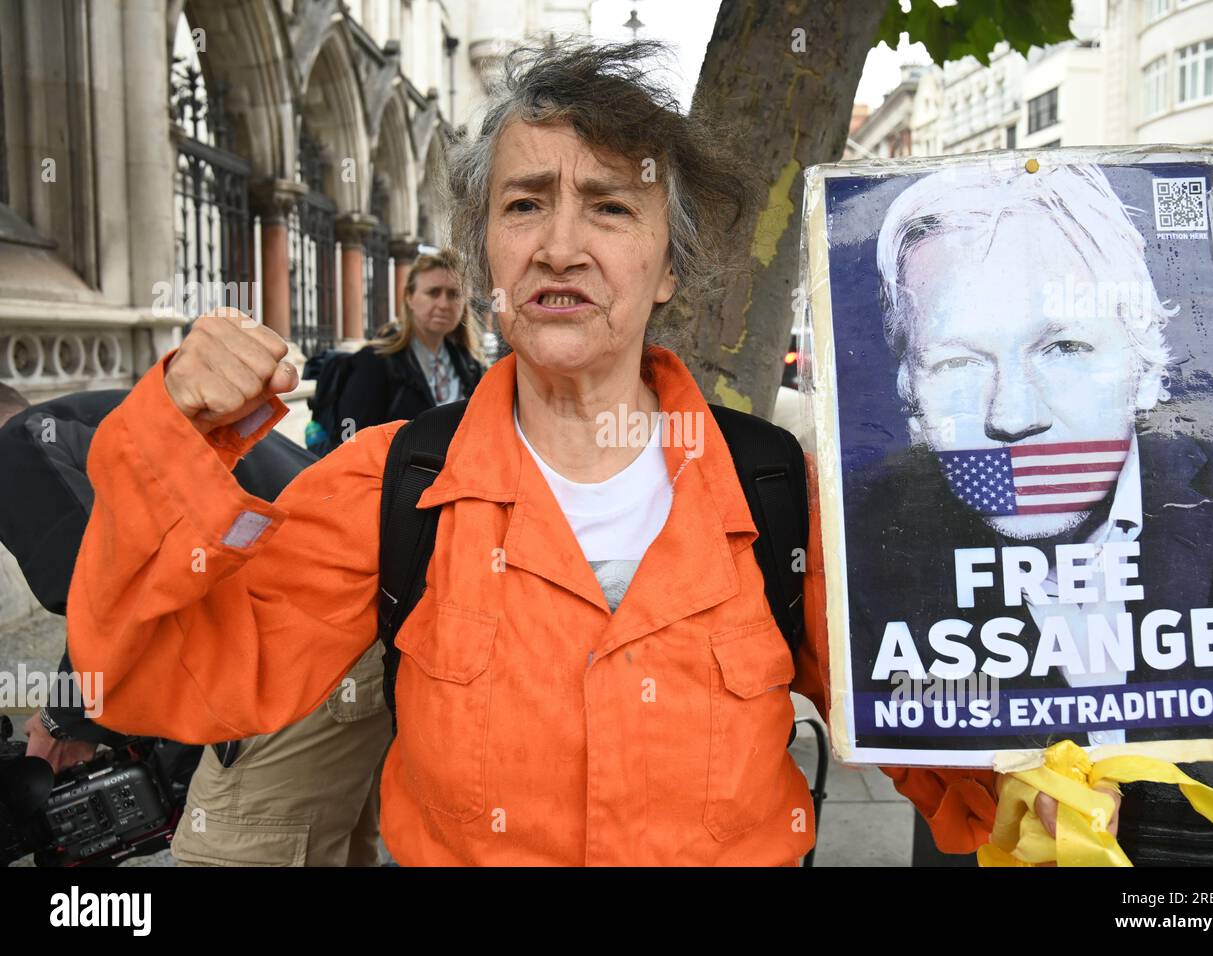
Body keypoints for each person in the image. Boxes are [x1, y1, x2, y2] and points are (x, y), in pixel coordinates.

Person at [66, 40, 1012, 864]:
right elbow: (152, 675)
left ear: (669, 266)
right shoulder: (391, 484)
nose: (561, 247)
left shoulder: (778, 492)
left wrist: (1067, 774)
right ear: (484, 260)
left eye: (609, 208)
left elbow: (945, 733)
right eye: (524, 206)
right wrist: (173, 435)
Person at [849, 163, 1213, 752]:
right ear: (911, 396)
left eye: (1063, 348)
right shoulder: (860, 550)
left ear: (1143, 368)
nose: (1012, 416)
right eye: (959, 364)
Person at [0, 386, 393, 866]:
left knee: (230, 850)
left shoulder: (17, 444)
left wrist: (64, 720)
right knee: (329, 845)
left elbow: (111, 598)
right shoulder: (99, 417)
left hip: (301, 642)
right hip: (365, 618)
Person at [333, 250, 484, 445]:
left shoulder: (471, 367)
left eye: (454, 294)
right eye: (433, 292)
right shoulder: (374, 362)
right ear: (409, 297)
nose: (444, 304)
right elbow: (352, 443)